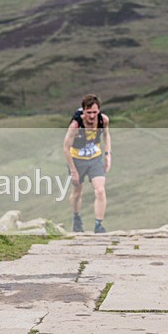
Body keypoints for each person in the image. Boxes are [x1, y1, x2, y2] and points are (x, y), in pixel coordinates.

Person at [63, 94, 111, 234]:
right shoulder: (75, 126)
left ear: (99, 111)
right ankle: (76, 218)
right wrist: (73, 170)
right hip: (76, 159)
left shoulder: (104, 120)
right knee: (77, 192)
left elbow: (106, 135)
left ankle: (98, 225)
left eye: (95, 112)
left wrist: (108, 154)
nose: (91, 116)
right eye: (88, 112)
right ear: (83, 111)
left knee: (100, 190)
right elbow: (66, 148)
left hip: (95, 158)